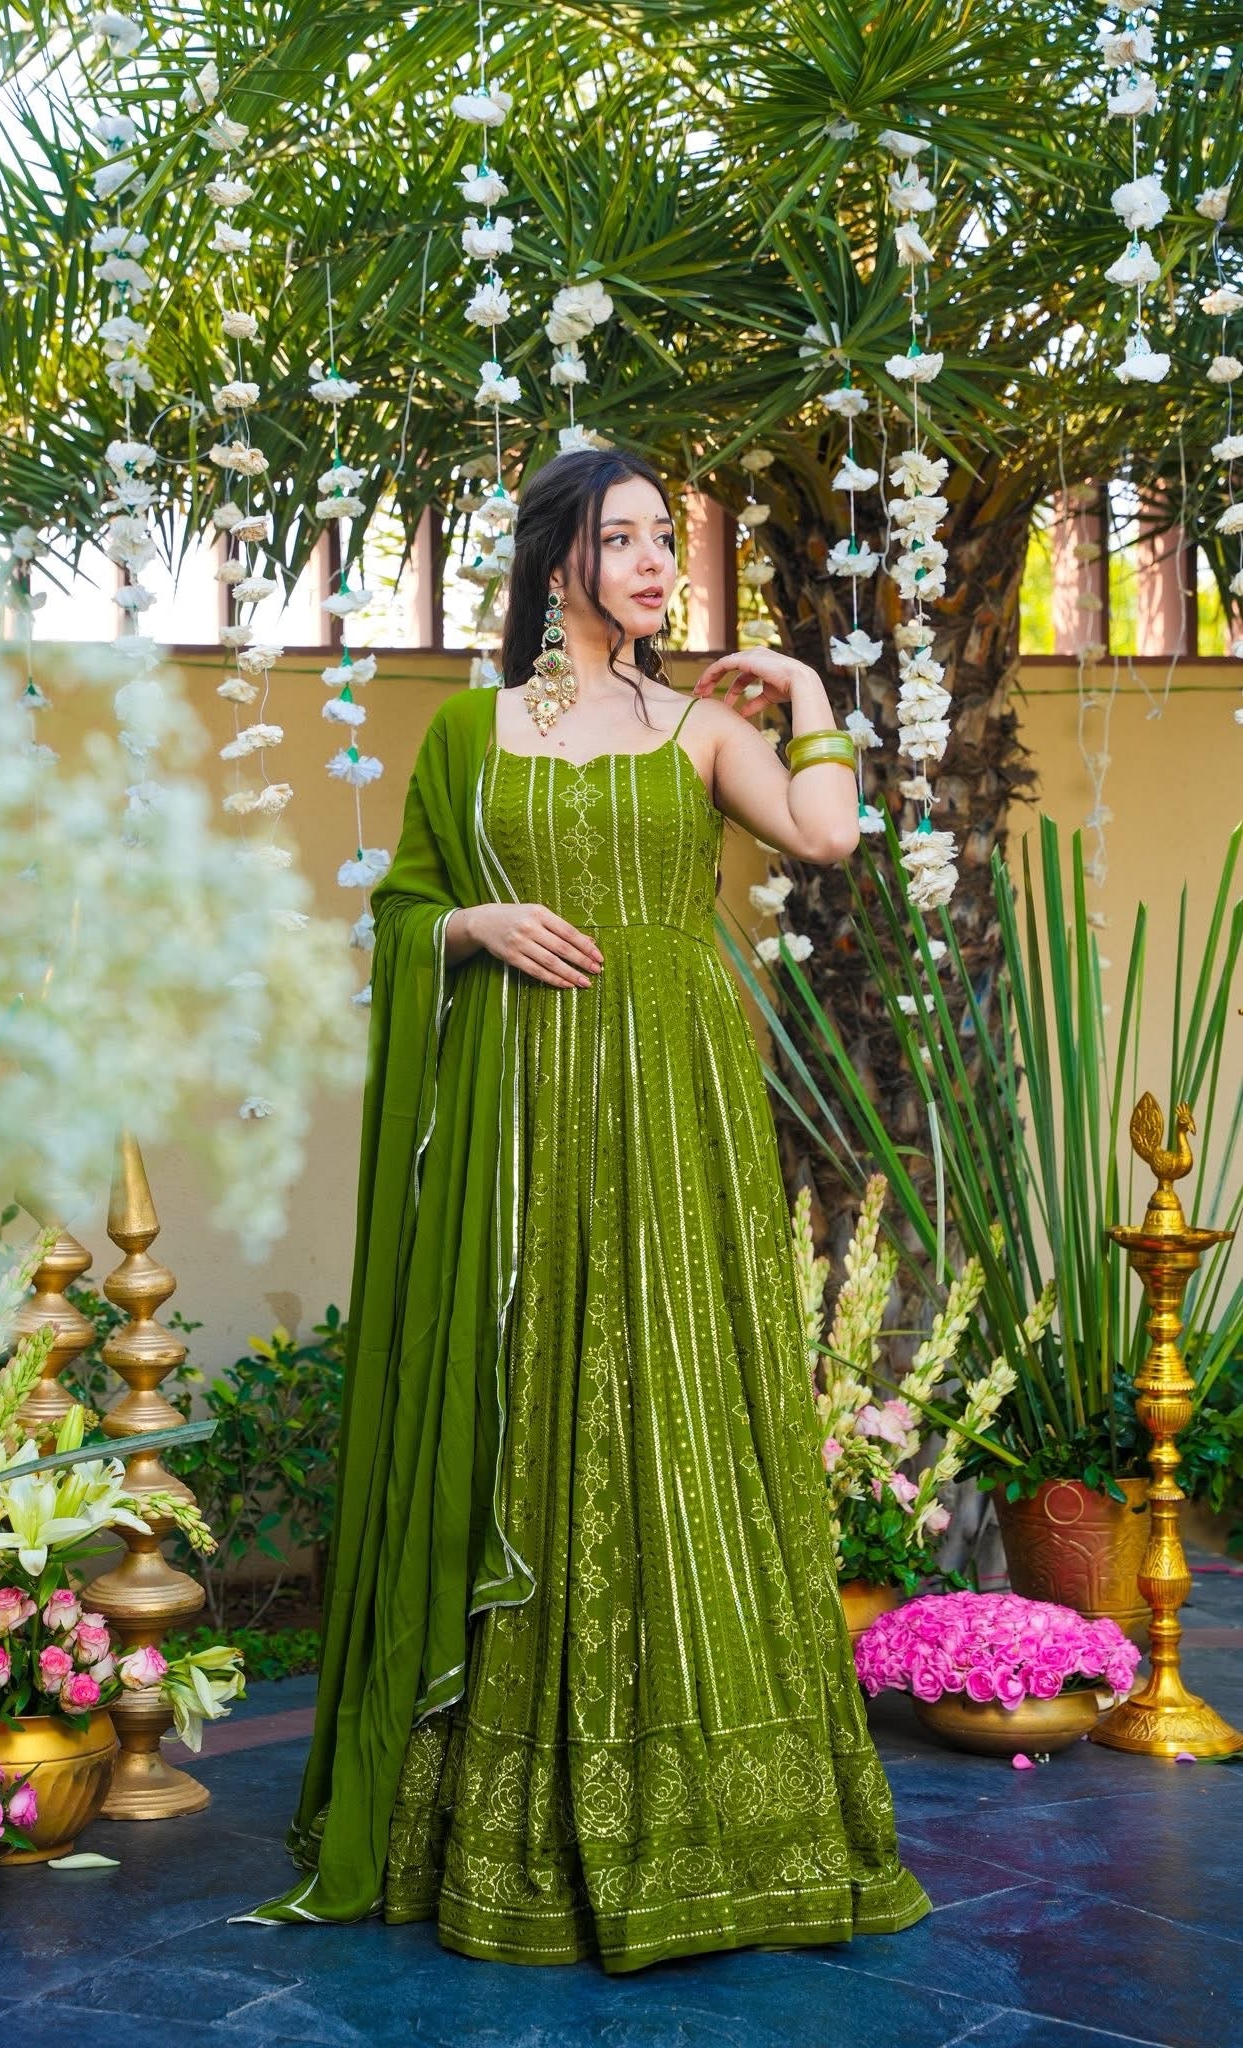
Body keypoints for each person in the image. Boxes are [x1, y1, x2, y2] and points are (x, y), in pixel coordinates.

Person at [233, 447, 932, 1969]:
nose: (655, 563)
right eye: (622, 540)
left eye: (664, 540)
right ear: (558, 564)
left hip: (677, 1114)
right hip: (522, 1122)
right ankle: (494, 1807)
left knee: (679, 1396)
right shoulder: (470, 734)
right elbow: (405, 910)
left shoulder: (700, 729)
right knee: (530, 1394)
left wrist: (806, 695)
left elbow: (825, 837)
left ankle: (720, 1812)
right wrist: (473, 922)